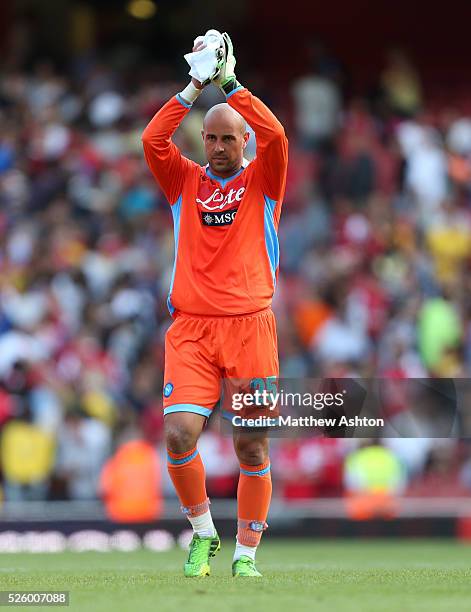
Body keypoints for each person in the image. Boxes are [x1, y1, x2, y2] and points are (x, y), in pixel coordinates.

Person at [142, 33, 288, 577]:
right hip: (192, 330)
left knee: (251, 446)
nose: (218, 147)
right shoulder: (184, 180)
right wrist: (194, 85)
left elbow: (276, 133)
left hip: (251, 329)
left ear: (243, 141)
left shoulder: (263, 180)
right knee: (179, 433)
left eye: (228, 138)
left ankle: (246, 553)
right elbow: (153, 139)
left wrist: (230, 82)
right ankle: (203, 533)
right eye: (210, 137)